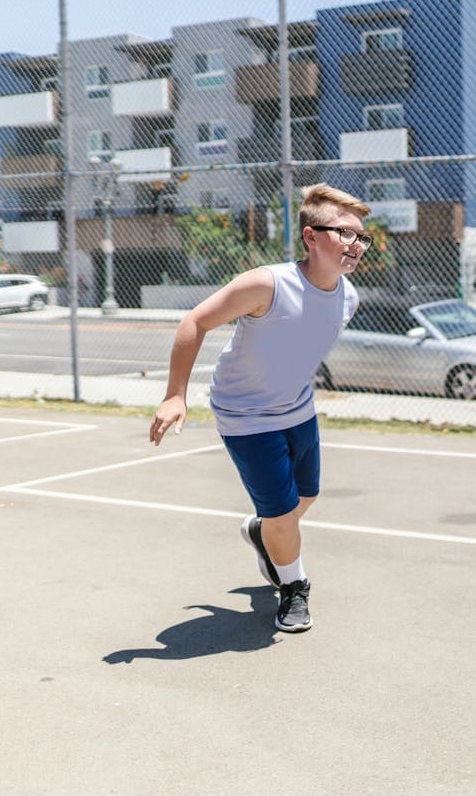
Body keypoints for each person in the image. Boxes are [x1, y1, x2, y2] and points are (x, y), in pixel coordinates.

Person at [149, 184, 373, 633]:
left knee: (304, 498)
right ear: (311, 237)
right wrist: (175, 394)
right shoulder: (266, 284)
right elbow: (195, 320)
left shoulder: (348, 297)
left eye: (362, 237)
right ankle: (294, 586)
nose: (356, 244)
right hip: (246, 416)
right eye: (345, 233)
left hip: (298, 409)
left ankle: (261, 530)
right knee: (283, 518)